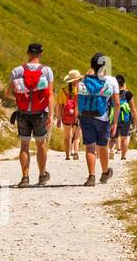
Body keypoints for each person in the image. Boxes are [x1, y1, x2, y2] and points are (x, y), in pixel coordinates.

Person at [9, 42, 54, 187]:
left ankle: (25, 178)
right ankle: (42, 176)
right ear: (40, 54)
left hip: (22, 113)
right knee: (41, 145)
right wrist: (51, 114)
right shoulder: (46, 71)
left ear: (28, 53)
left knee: (24, 145)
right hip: (40, 113)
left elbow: (8, 93)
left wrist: (20, 99)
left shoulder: (17, 71)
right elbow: (50, 95)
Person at [78, 53, 120, 187]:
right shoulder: (112, 80)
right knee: (103, 146)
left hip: (86, 116)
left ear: (92, 66)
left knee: (90, 146)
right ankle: (105, 172)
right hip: (102, 118)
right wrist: (115, 122)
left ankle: (91, 176)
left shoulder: (84, 79)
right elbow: (117, 103)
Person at [57, 69, 83, 160]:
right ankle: (75, 152)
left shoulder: (63, 91)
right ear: (76, 80)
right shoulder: (81, 90)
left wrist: (59, 119)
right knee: (76, 135)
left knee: (67, 136)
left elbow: (60, 106)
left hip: (66, 116)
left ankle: (67, 156)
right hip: (77, 115)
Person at [112, 77, 134, 160]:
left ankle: (111, 150)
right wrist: (135, 119)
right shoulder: (128, 93)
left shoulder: (111, 92)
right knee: (125, 136)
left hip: (114, 117)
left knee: (113, 138)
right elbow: (133, 108)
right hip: (125, 119)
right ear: (123, 83)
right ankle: (123, 156)